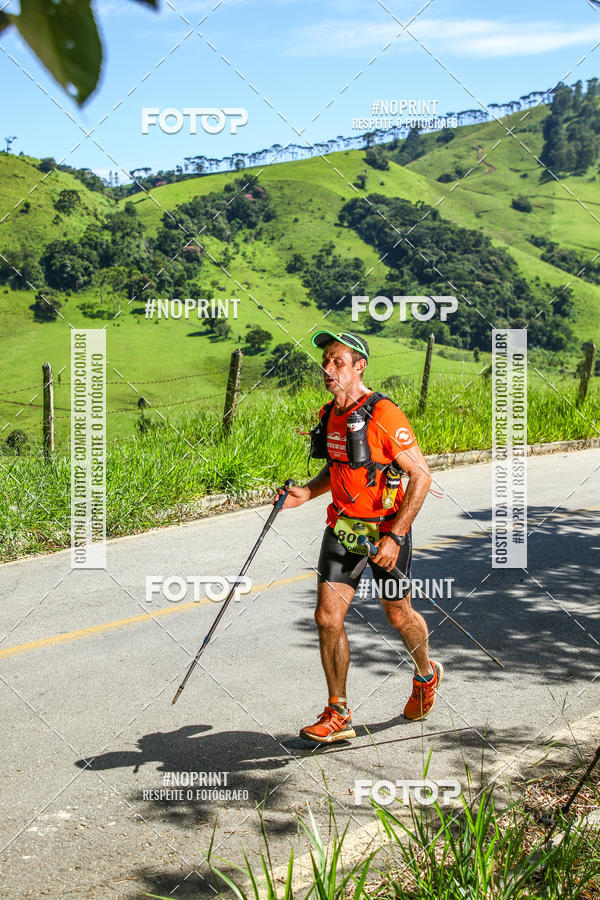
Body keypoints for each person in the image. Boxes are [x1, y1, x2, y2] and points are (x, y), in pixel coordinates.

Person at [275, 331, 442, 743]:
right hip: (346, 525)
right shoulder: (329, 414)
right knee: (327, 617)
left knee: (398, 614)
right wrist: (305, 493)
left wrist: (396, 537)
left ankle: (426, 674)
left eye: (337, 362)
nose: (328, 369)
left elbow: (421, 476)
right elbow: (337, 470)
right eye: (325, 362)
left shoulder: (384, 414)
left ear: (359, 366)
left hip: (386, 526)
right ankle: (338, 712)